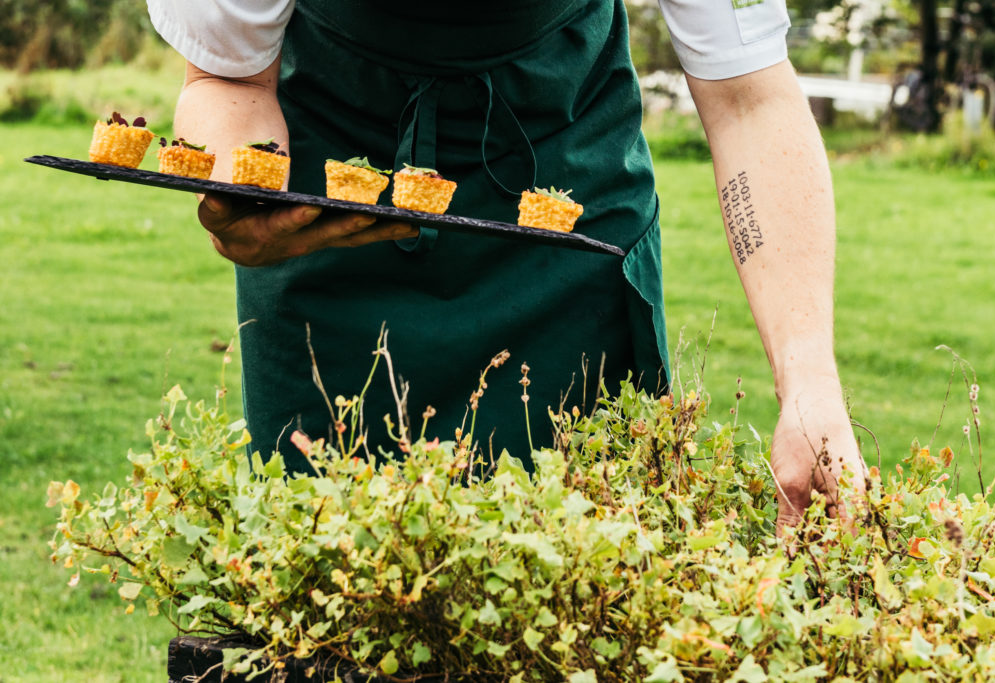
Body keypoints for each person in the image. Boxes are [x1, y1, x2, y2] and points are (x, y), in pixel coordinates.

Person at [147, 0, 866, 533]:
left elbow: (748, 97)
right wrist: (241, 199)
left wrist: (808, 381)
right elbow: (228, 81)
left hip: (563, 205)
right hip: (333, 229)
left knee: (586, 582)